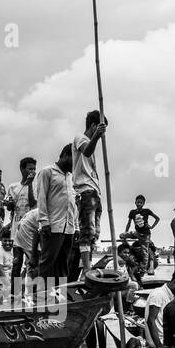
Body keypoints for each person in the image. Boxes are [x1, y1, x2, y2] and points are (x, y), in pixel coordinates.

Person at [35, 144, 78, 281]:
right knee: (47, 264)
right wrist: (44, 222)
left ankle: (60, 298)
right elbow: (41, 198)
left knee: (63, 266)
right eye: (74, 159)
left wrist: (75, 226)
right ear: (66, 155)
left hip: (69, 228)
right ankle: (41, 298)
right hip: (52, 226)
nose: (75, 164)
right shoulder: (47, 172)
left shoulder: (71, 176)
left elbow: (73, 203)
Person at [72, 111, 108, 272]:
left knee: (94, 234)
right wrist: (97, 136)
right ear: (94, 126)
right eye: (100, 129)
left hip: (94, 191)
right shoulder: (81, 138)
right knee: (87, 231)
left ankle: (86, 267)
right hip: (85, 189)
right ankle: (86, 268)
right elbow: (86, 151)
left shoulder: (91, 141)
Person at [145, 268, 175, 348]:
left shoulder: (172, 296)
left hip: (167, 342)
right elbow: (150, 320)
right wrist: (159, 346)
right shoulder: (158, 294)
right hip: (159, 343)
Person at [126, 195, 160, 274]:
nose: (139, 204)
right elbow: (128, 223)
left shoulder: (147, 211)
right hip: (137, 233)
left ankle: (143, 269)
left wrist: (152, 226)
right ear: (135, 202)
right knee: (122, 235)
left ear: (144, 204)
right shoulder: (132, 212)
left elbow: (157, 218)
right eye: (138, 202)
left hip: (145, 234)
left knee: (145, 251)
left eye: (141, 203)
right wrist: (126, 232)